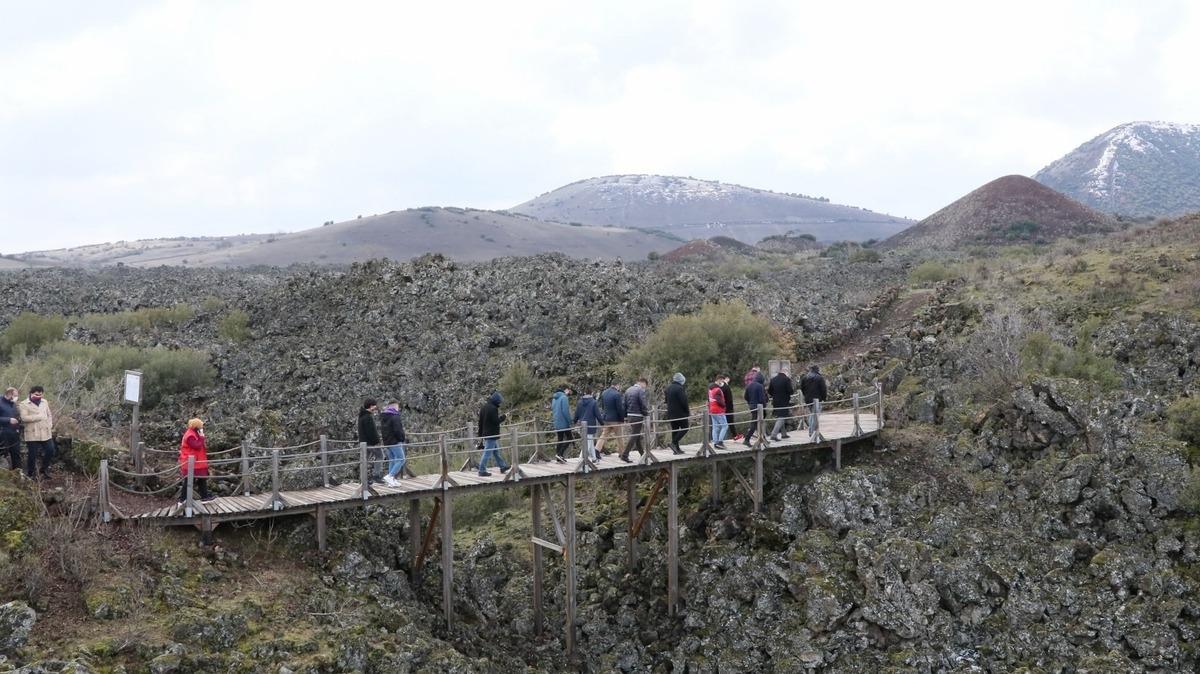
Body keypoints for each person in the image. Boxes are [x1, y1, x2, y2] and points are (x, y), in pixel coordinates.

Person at [18, 386, 54, 479]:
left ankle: (44, 469)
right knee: (32, 454)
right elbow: (24, 418)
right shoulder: (24, 404)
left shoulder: (44, 402)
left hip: (45, 431)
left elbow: (49, 414)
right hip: (32, 433)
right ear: (31, 393)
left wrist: (50, 424)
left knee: (50, 450)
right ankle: (30, 473)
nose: (38, 396)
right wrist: (39, 417)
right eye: (36, 394)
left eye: (40, 394)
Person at [177, 418, 215, 503]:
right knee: (189, 481)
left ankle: (204, 497)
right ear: (197, 426)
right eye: (201, 426)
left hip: (197, 462)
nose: (202, 427)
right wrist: (201, 437)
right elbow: (196, 446)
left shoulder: (193, 433)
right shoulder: (190, 435)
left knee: (201, 479)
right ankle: (182, 500)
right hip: (191, 462)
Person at [477, 391, 510, 476]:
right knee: (487, 453)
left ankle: (502, 467)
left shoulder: (484, 407)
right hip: (491, 434)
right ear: (496, 400)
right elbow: (496, 421)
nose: (500, 403)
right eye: (499, 401)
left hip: (486, 433)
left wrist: (480, 435)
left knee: (496, 452)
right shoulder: (493, 408)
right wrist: (504, 417)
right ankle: (481, 470)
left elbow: (480, 422)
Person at [620, 378, 649, 463]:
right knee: (635, 435)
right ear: (643, 383)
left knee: (636, 435)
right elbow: (643, 403)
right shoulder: (640, 390)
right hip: (637, 415)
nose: (645, 388)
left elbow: (624, 404)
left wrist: (625, 416)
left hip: (630, 416)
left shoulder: (628, 390)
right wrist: (646, 414)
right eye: (645, 386)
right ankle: (625, 455)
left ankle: (642, 454)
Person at [379, 400, 407, 487]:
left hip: (387, 442)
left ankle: (391, 481)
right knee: (401, 459)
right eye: (398, 406)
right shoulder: (395, 416)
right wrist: (402, 438)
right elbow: (398, 430)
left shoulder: (384, 416)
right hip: (395, 441)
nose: (398, 408)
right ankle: (390, 476)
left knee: (392, 460)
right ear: (395, 406)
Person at [594, 383, 626, 456]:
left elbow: (602, 406)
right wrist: (622, 419)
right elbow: (619, 409)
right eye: (619, 386)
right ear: (617, 385)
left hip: (606, 418)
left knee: (604, 435)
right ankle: (622, 453)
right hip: (615, 420)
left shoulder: (604, 393)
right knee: (619, 436)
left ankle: (597, 449)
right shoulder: (617, 394)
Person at [357, 398, 382, 484]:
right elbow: (371, 432)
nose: (376, 407)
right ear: (371, 406)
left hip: (363, 443)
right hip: (371, 443)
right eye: (375, 405)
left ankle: (363, 479)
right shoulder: (368, 417)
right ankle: (376, 476)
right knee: (380, 456)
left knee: (364, 460)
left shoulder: (361, 416)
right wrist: (377, 442)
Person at [800, 365, 829, 438]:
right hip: (817, 399)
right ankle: (812, 432)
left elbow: (802, 388)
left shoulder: (805, 378)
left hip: (808, 399)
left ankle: (811, 430)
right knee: (815, 415)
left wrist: (805, 395)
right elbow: (823, 389)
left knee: (811, 415)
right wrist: (823, 398)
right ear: (817, 370)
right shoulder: (819, 378)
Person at [767, 367, 795, 442]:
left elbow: (769, 391)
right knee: (782, 417)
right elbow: (790, 391)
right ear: (785, 372)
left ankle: (783, 434)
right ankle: (774, 434)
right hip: (784, 401)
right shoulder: (787, 380)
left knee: (780, 416)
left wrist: (775, 395)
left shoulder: (773, 379)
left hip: (775, 401)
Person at [573, 389, 600, 462]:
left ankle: (594, 458)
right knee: (588, 443)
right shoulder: (593, 402)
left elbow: (577, 414)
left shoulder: (579, 402)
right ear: (591, 393)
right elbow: (597, 414)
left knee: (590, 441)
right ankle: (581, 459)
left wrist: (574, 421)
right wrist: (602, 422)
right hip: (590, 425)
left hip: (582, 424)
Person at [664, 372, 688, 455]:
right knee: (685, 428)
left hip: (671, 413)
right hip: (680, 413)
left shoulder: (668, 388)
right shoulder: (680, 388)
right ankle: (673, 443)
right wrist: (687, 412)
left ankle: (676, 449)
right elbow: (684, 401)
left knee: (675, 430)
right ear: (681, 380)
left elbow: (666, 401)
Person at [743, 372, 767, 446]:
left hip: (752, 406)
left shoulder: (749, 385)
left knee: (758, 422)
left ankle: (763, 437)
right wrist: (764, 405)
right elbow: (761, 398)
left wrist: (750, 402)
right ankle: (747, 439)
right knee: (755, 423)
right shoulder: (760, 386)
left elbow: (745, 396)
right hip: (759, 407)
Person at [551, 386, 574, 464]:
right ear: (564, 391)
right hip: (564, 422)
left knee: (560, 439)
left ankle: (558, 456)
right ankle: (560, 454)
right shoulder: (564, 398)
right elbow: (565, 411)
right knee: (570, 438)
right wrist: (570, 421)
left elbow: (553, 409)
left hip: (557, 422)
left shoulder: (554, 399)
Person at [0, 387, 21, 471]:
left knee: (16, 455)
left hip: (14, 434)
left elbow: (16, 416)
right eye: (15, 395)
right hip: (2, 433)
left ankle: (18, 476)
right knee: (3, 457)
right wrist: (8, 420)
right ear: (10, 394)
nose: (17, 397)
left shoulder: (13, 404)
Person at [707, 376, 728, 449]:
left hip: (712, 410)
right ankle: (720, 442)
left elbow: (709, 400)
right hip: (718, 410)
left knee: (715, 427)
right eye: (721, 381)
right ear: (718, 380)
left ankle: (715, 443)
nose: (722, 383)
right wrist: (724, 405)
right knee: (725, 426)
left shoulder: (710, 389)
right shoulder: (717, 390)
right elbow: (719, 401)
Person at [719, 373, 739, 441]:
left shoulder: (719, 386)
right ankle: (734, 435)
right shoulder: (726, 386)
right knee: (729, 422)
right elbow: (729, 399)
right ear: (726, 378)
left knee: (724, 423)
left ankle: (733, 435)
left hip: (722, 407)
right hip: (728, 407)